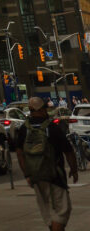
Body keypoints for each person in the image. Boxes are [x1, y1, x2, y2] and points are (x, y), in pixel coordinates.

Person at [14, 95, 78, 230]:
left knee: (48, 212)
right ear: (42, 109)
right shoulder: (51, 128)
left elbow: (19, 153)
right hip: (54, 176)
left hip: (36, 177)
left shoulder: (24, 129)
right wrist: (74, 169)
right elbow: (68, 151)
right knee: (62, 211)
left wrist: (27, 174)